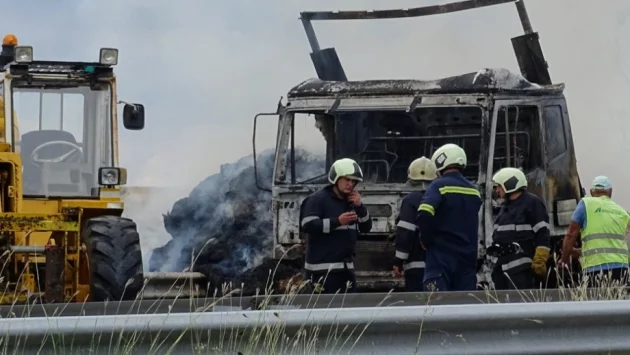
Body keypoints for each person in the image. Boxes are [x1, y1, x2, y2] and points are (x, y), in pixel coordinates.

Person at [415, 143, 482, 292]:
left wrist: (425, 239)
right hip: (467, 258)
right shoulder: (474, 191)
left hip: (441, 257)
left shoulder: (438, 186)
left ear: (441, 161)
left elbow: (424, 213)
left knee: (437, 307)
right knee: (464, 307)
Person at [300, 158, 373, 294]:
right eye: (346, 179)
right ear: (336, 178)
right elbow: (308, 225)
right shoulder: (317, 200)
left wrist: (360, 207)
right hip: (321, 273)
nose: (350, 184)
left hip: (346, 272)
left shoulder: (350, 203)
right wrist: (337, 221)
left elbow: (366, 228)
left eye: (353, 181)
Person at [560, 176, 630, 287]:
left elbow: (571, 234)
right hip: (621, 269)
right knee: (617, 303)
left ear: (592, 192)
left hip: (596, 268)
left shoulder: (586, 204)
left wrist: (564, 259)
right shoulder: (622, 212)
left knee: (596, 302)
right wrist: (579, 252)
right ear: (610, 192)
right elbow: (611, 244)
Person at [488, 167, 551, 290]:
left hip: (522, 269)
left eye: (500, 186)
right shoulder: (505, 207)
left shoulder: (532, 203)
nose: (497, 190)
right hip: (502, 267)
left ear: (509, 184)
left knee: (521, 303)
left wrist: (539, 260)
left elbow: (543, 234)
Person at [392, 156, 438, 291]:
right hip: (439, 266)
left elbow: (405, 233)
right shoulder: (441, 198)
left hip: (416, 268)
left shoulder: (410, 201)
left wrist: (398, 261)